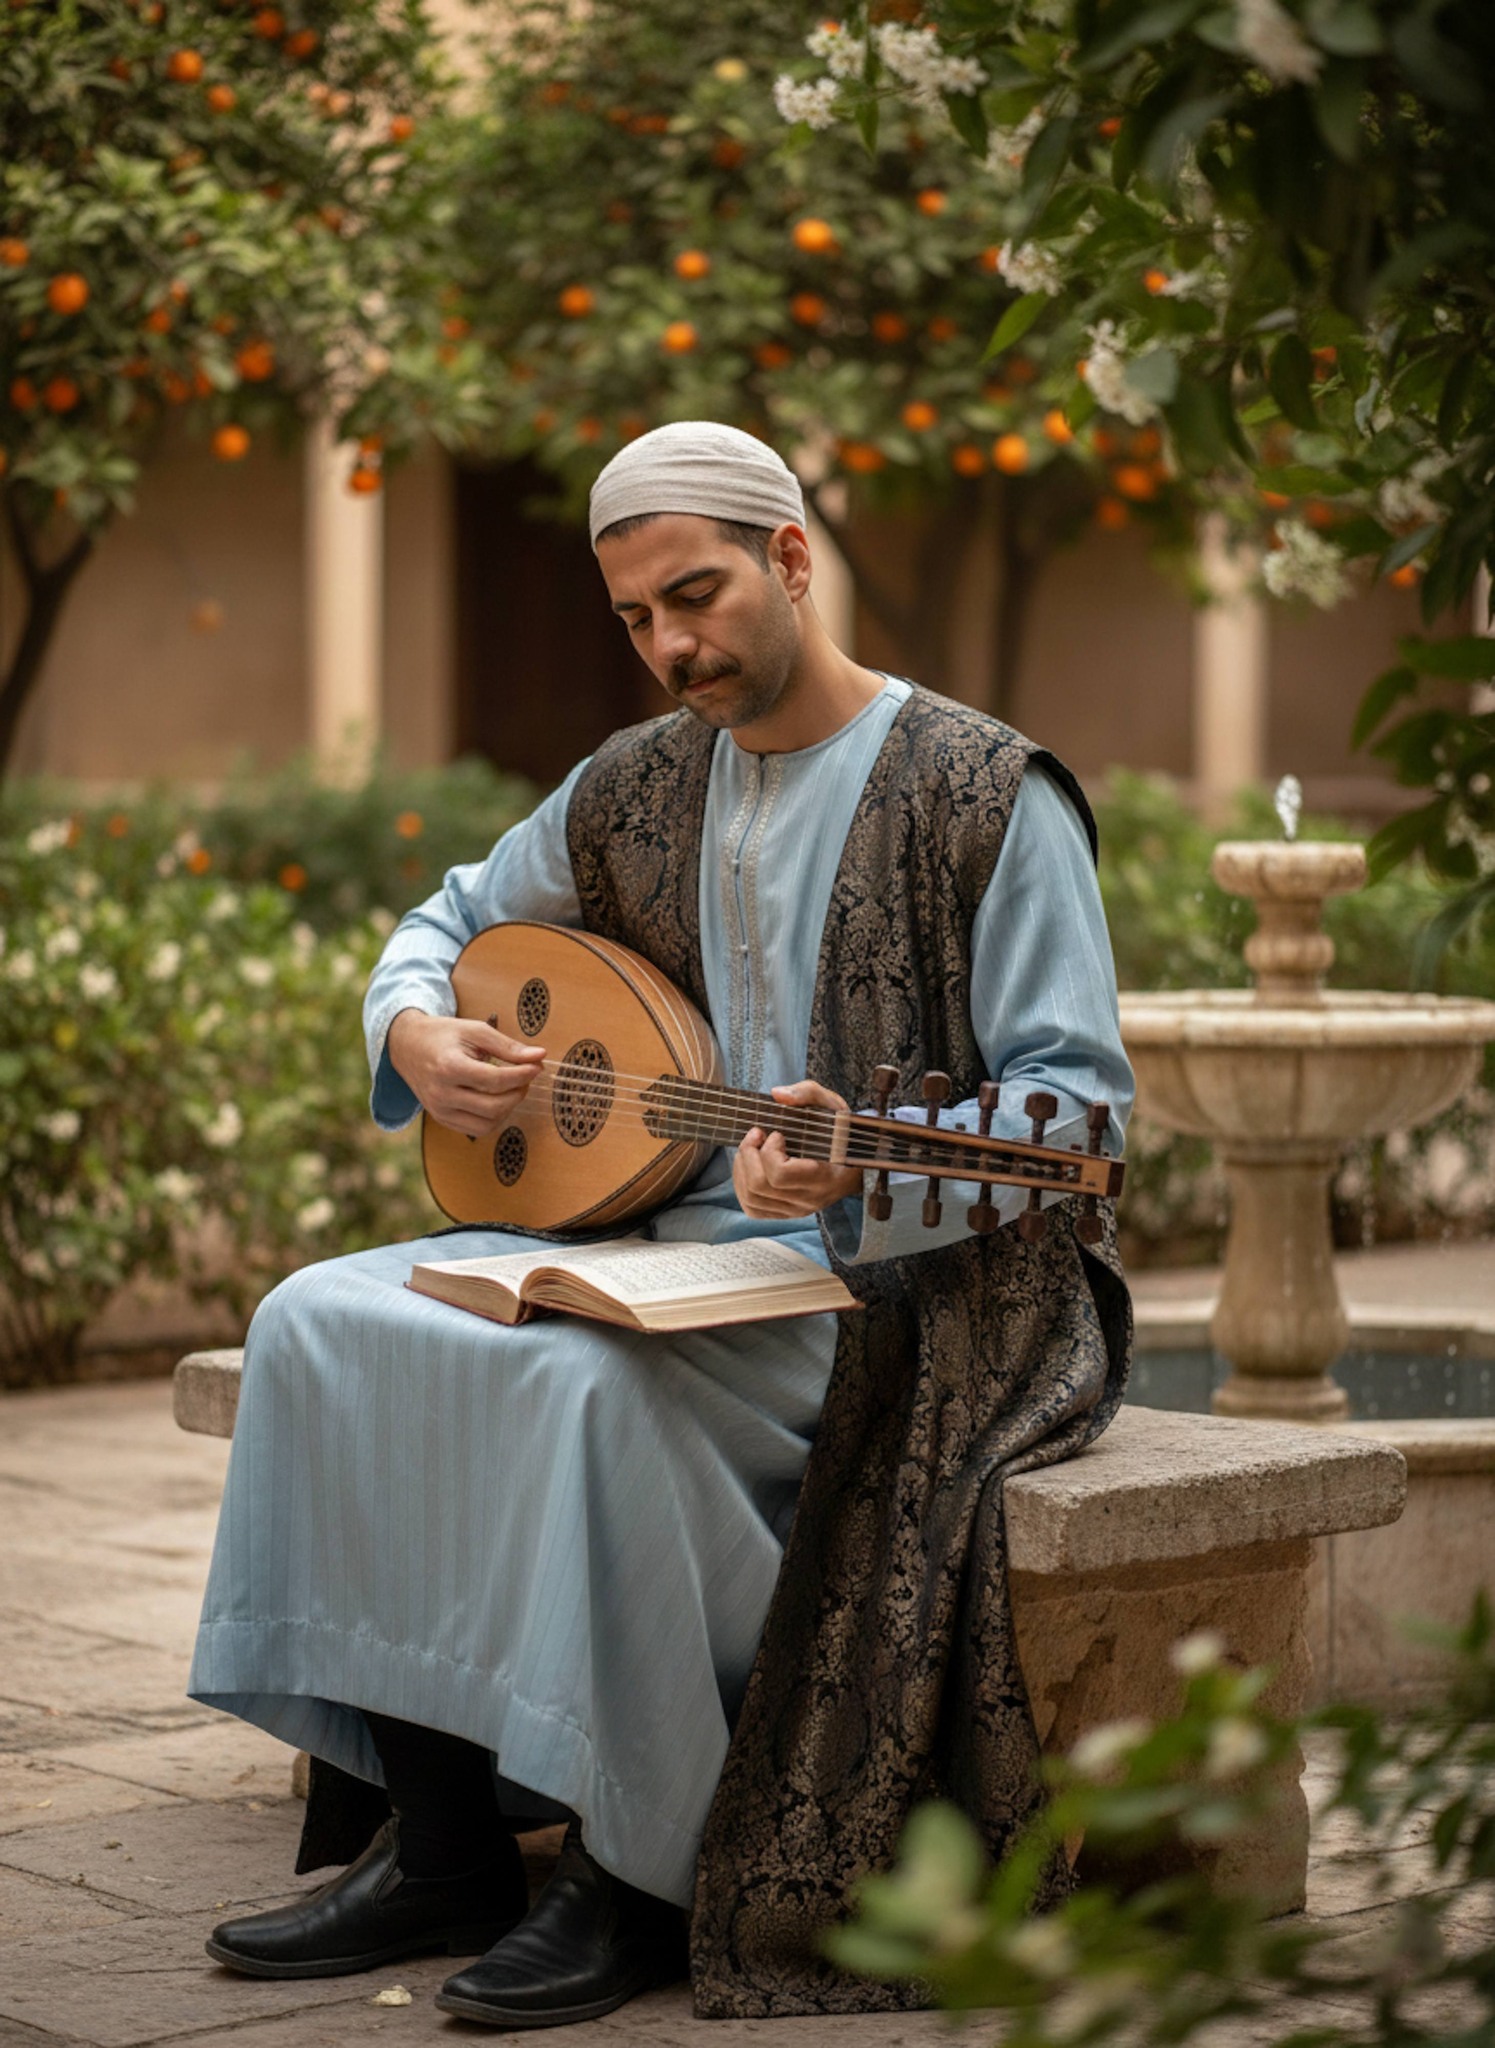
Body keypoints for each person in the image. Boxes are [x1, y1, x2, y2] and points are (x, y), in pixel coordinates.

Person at [190, 420, 1134, 2026]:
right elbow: (445, 922)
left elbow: (1080, 1122)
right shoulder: (630, 782)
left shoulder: (985, 792)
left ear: (788, 557)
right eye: (635, 618)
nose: (672, 645)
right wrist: (418, 1035)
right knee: (323, 1324)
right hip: (664, 1235)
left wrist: (872, 1166)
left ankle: (635, 1874)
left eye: (696, 597)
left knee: (581, 1388)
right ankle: (443, 1846)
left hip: (924, 1287)